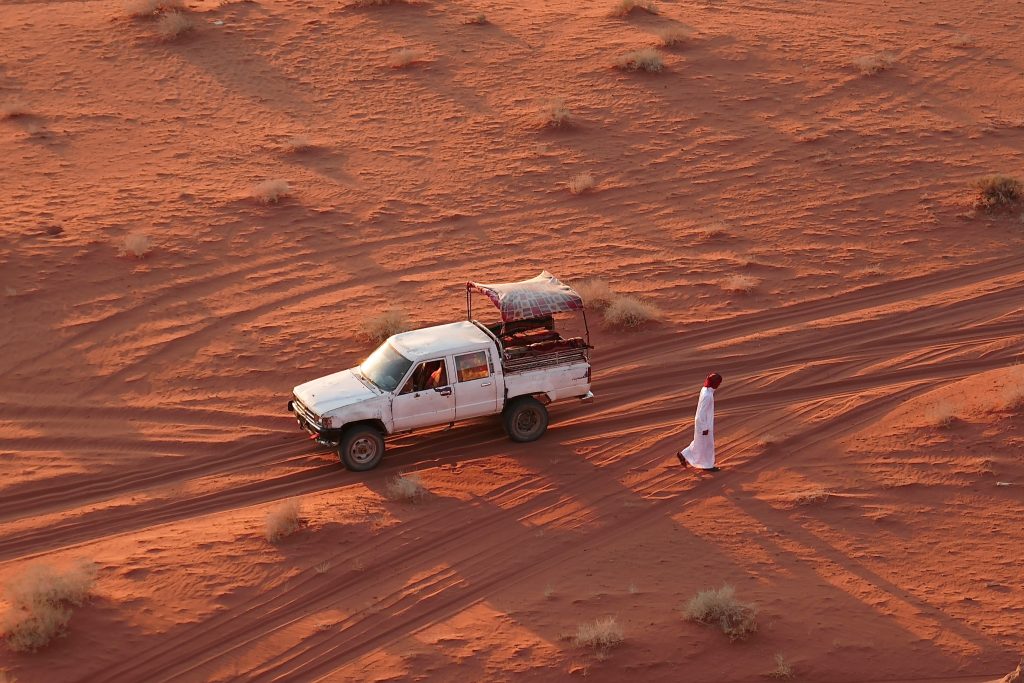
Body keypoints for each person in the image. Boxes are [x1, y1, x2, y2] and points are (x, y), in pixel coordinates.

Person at [678, 372, 722, 471]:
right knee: (707, 445)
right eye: (718, 383)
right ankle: (707, 465)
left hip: (704, 423)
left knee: (699, 443)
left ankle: (683, 454)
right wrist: (704, 428)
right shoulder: (708, 395)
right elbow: (701, 413)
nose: (719, 385)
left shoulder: (705, 390)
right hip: (704, 424)